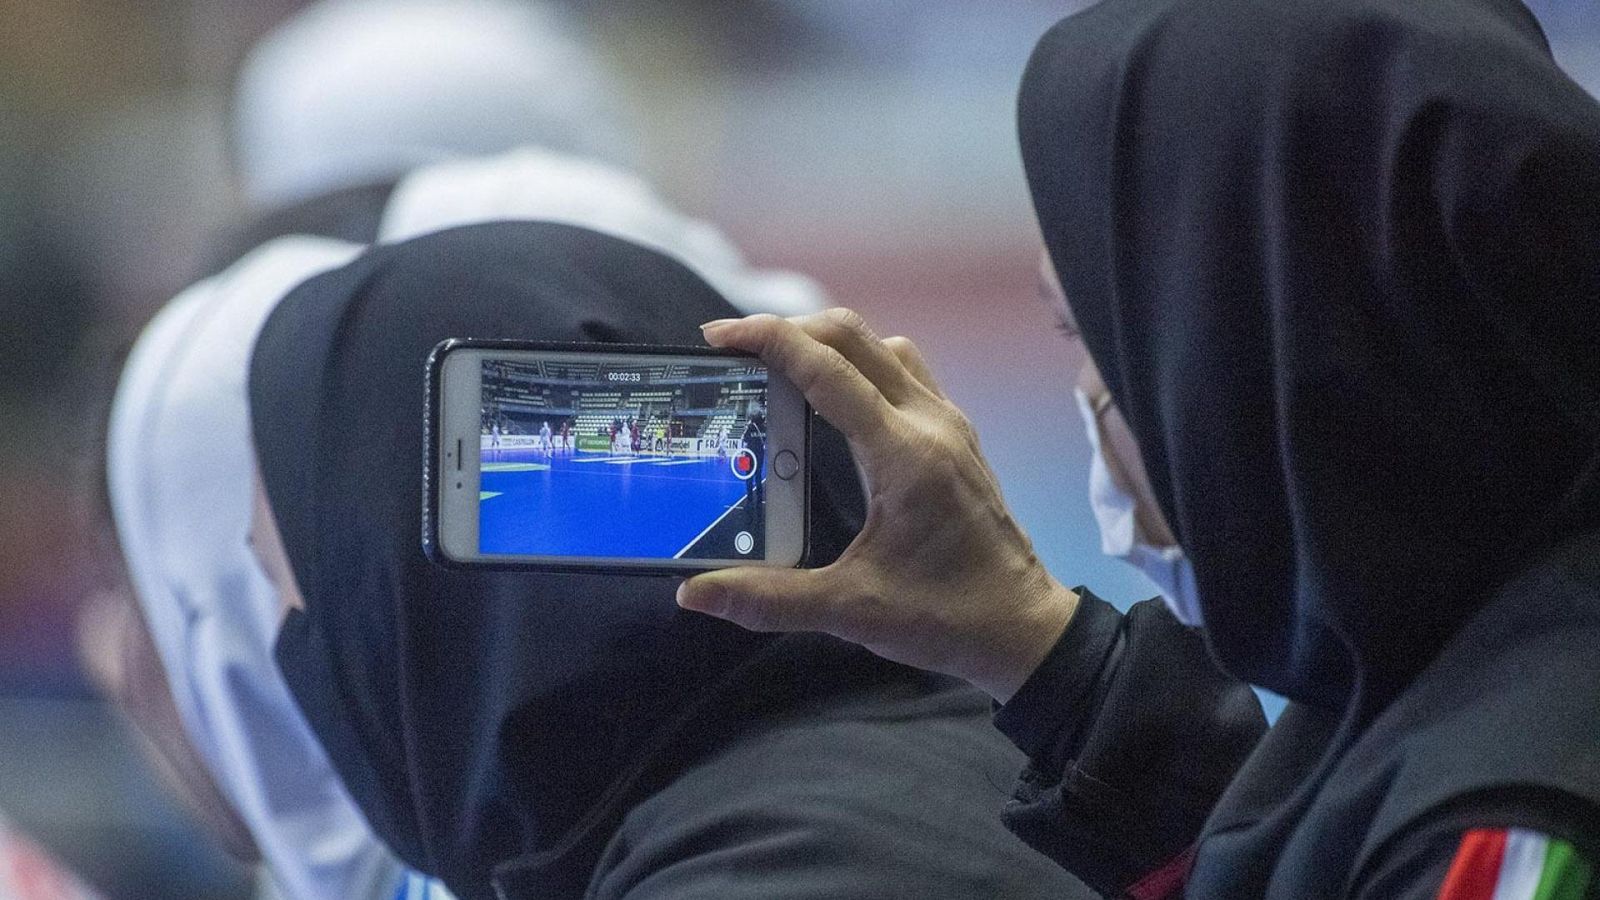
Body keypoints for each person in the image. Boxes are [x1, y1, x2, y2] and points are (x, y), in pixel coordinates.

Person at [675, 0, 1600, 897]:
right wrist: (1039, 648)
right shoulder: (1447, 659)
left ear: (1243, 359)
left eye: (1085, 335)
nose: (1091, 395)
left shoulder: (1506, 826)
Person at [248, 221, 1096, 900]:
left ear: (401, 604)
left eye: (285, 579)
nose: (285, 630)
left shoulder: (770, 868)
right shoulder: (996, 757)